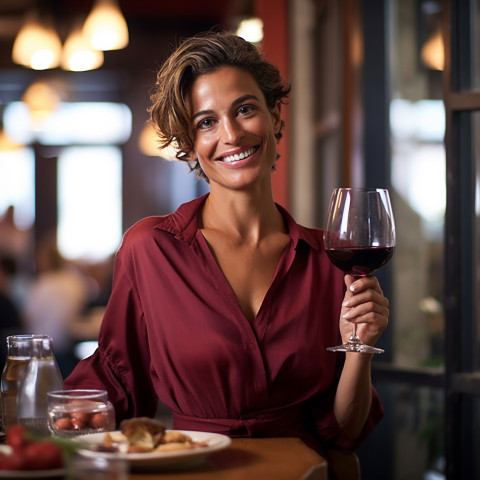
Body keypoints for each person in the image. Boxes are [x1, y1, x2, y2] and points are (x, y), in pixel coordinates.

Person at [65, 31, 389, 460]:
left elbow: (345, 432)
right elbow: (117, 380)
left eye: (245, 109)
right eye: (206, 121)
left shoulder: (329, 261)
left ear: (274, 116)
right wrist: (69, 415)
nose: (232, 135)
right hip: (194, 471)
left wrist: (359, 348)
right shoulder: (150, 249)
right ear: (191, 144)